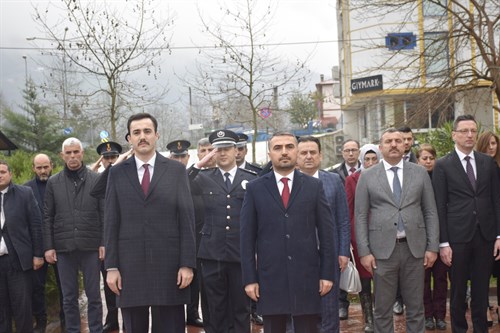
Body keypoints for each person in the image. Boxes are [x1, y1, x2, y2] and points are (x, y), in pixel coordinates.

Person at [104, 113, 196, 333]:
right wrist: (112, 266)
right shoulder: (116, 173)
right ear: (129, 139)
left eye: (147, 131)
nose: (142, 137)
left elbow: (186, 219)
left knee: (171, 327)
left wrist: (187, 263)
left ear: (157, 135)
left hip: (170, 266)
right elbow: (111, 221)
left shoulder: (176, 171)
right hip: (129, 267)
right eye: (136, 132)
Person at [240, 131, 335, 333]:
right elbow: (246, 239)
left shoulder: (314, 186)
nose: (284, 152)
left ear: (296, 151)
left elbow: (327, 235)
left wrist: (327, 274)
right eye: (278, 148)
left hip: (307, 278)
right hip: (270, 279)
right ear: (269, 153)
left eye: (289, 147)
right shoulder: (255, 189)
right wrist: (250, 279)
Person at [355, 128, 439, 332]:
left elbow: (430, 211)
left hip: (414, 249)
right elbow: (360, 216)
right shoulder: (367, 176)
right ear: (380, 146)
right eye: (389, 141)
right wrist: (364, 253)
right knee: (382, 308)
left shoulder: (419, 172)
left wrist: (432, 247)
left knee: (416, 307)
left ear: (405, 145)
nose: (394, 144)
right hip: (382, 251)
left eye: (398, 141)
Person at [434, 115, 500, 333]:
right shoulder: (443, 165)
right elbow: (439, 206)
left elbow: (496, 200)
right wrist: (443, 242)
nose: (470, 135)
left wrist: (498, 236)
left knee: (481, 293)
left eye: (473, 130)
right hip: (457, 239)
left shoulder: (487, 162)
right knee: (458, 293)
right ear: (454, 135)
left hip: (485, 236)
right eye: (464, 131)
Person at [188, 129, 257, 333]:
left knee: (241, 307)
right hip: (211, 254)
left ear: (237, 151)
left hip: (240, 254)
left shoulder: (252, 178)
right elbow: (180, 185)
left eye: (227, 148)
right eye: (218, 149)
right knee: (214, 308)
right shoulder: (202, 177)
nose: (223, 153)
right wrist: (198, 165)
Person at [43, 137, 104, 333]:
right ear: (62, 156)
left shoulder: (96, 180)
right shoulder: (53, 183)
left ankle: (96, 329)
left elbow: (104, 213)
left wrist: (104, 242)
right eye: (68, 153)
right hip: (63, 248)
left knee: (94, 295)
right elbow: (47, 216)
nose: (72, 156)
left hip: (91, 246)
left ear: (82, 153)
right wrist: (49, 246)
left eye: (76, 152)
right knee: (68, 297)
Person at [296, 136, 350, 333]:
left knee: (328, 310)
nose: (308, 156)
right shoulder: (287, 183)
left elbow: (343, 219)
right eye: (303, 153)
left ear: (320, 156)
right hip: (297, 258)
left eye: (313, 152)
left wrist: (343, 252)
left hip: (328, 256)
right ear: (296, 156)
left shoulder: (334, 181)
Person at [166, 139, 205, 328]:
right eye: (176, 156)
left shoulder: (197, 177)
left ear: (188, 157)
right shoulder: (166, 176)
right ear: (170, 157)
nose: (179, 159)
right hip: (170, 239)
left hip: (195, 235)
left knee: (194, 278)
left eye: (182, 156)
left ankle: (192, 313)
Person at [0, 161, 43, 333]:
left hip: (18, 260)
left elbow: (36, 225)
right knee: (2, 309)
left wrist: (38, 254)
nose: (0, 175)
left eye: (3, 171)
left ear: (10, 174)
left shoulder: (24, 194)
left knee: (22, 307)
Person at [24, 154, 65, 333]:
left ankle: (66, 321)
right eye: (39, 167)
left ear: (52, 166)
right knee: (36, 288)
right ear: (33, 168)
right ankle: (41, 322)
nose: (43, 171)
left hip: (60, 246)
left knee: (65, 286)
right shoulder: (26, 189)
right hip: (37, 248)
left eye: (45, 167)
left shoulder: (60, 184)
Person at [344, 144, 381, 332]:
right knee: (365, 281)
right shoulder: (353, 179)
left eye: (374, 159)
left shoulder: (385, 178)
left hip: (384, 236)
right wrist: (354, 238)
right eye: (367, 159)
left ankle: (383, 317)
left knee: (384, 280)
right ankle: (368, 319)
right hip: (362, 238)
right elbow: (349, 211)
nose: (371, 163)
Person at [92, 141, 123, 333]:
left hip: (124, 241)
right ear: (101, 160)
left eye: (113, 157)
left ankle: (128, 321)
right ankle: (112, 320)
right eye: (107, 158)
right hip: (104, 243)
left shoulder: (128, 177)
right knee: (108, 283)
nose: (110, 161)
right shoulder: (98, 181)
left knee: (127, 285)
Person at [417, 144, 449, 331]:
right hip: (420, 239)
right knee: (422, 280)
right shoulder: (415, 180)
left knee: (441, 279)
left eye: (431, 158)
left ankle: (440, 315)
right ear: (418, 160)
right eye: (424, 158)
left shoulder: (441, 178)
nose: (428, 161)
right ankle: (427, 315)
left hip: (440, 238)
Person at [331, 139, 360, 319]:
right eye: (347, 150)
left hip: (362, 223)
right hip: (343, 221)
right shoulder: (334, 175)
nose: (350, 153)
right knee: (342, 266)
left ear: (358, 152)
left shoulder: (367, 170)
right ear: (342, 153)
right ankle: (342, 304)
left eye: (354, 150)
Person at [476, 131, 500, 327]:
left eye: (495, 143)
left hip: (498, 225)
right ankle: (483, 307)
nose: (492, 147)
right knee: (481, 273)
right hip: (482, 228)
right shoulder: (477, 167)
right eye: (488, 143)